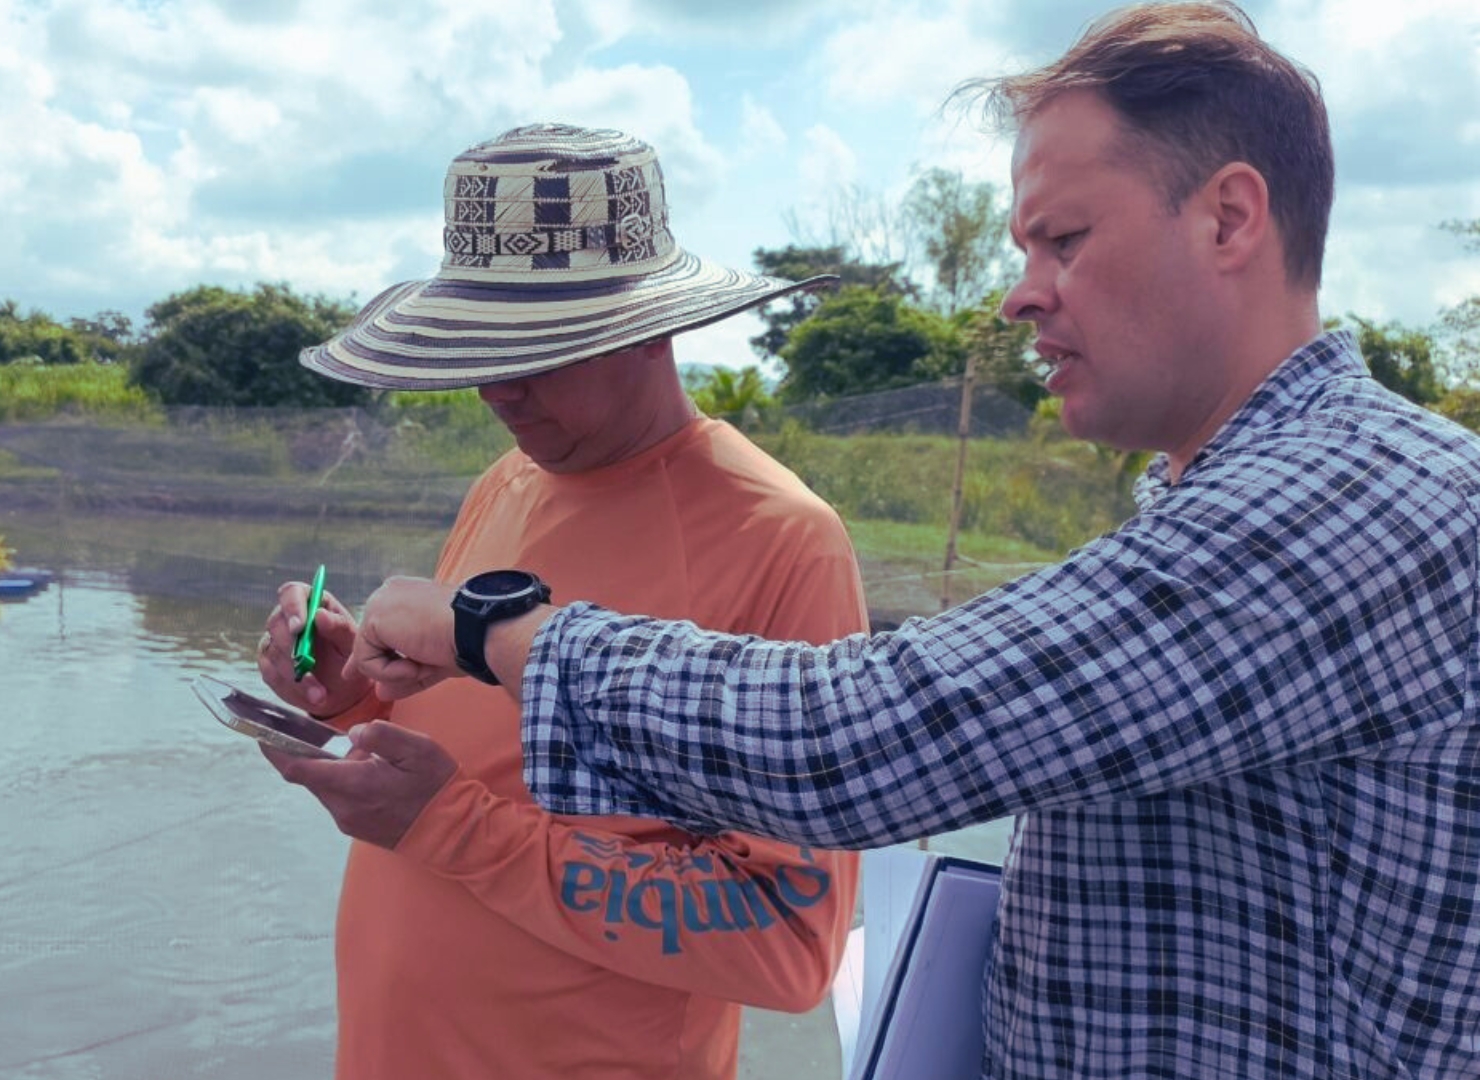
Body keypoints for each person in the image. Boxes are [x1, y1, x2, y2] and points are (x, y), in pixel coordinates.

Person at [342, 6, 1480, 1079]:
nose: (1018, 297)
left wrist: (490, 634)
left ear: (1230, 218)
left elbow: (862, 736)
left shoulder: (1338, 506)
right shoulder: (1210, 499)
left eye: (1064, 240)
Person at [252, 123, 869, 1080]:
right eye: (481, 349)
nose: (500, 386)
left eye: (542, 349)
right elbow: (477, 740)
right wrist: (354, 697)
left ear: (652, 326)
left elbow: (785, 942)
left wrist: (443, 825)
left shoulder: (779, 538)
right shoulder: (509, 479)